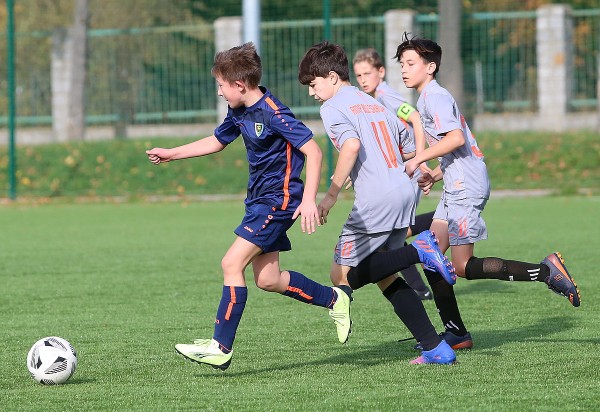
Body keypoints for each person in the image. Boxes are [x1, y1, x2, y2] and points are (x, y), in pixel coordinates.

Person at [344, 34, 581, 351]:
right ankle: (456, 333)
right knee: (430, 254)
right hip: (456, 183)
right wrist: (436, 173)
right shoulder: (427, 98)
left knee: (462, 266)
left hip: (465, 188)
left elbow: (455, 138)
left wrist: (417, 158)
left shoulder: (435, 97)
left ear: (430, 67)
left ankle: (545, 271)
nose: (404, 70)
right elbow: (461, 150)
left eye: (411, 63)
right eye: (402, 64)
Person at [145, 42, 352, 371]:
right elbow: (217, 140)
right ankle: (334, 298)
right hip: (258, 201)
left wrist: (309, 199)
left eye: (221, 85)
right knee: (268, 279)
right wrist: (172, 153)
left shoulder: (273, 112)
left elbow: (313, 151)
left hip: (278, 201)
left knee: (231, 263)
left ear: (239, 84)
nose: (219, 92)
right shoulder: (239, 110)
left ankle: (220, 346)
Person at [298, 40, 456, 365]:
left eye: (313, 84)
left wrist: (330, 194)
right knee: (385, 273)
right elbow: (407, 145)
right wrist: (418, 170)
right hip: (403, 192)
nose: (312, 93)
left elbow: (351, 146)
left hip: (376, 201)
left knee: (340, 275)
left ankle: (419, 250)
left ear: (331, 77)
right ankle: (435, 347)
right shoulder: (372, 102)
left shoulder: (332, 107)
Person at [353, 47, 434, 300]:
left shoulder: (386, 96)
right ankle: (421, 291)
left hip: (407, 171)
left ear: (381, 72)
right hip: (397, 171)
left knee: (393, 237)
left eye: (367, 73)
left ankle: (445, 219)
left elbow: (416, 118)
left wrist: (420, 158)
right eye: (358, 75)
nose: (363, 79)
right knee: (393, 239)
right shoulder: (373, 99)